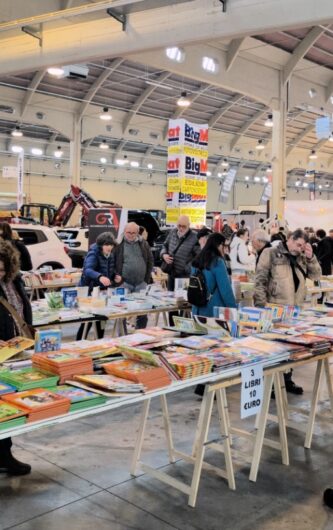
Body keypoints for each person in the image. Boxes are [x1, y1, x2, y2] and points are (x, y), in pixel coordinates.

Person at [254, 229, 322, 395]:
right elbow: (260, 279)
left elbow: (316, 275)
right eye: (298, 244)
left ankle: (287, 380)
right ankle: (269, 383)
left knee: (291, 348)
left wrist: (311, 257)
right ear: (290, 239)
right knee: (273, 348)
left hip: (295, 309)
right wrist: (261, 306)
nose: (299, 248)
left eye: (302, 246)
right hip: (274, 308)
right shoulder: (270, 253)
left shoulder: (302, 256)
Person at [0, 240, 32, 475]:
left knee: (7, 402)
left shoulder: (14, 282)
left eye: (1, 269)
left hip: (14, 352)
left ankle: (4, 454)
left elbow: (22, 311)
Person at [77, 232, 119, 339]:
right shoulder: (93, 253)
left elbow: (109, 270)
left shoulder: (111, 254)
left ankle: (100, 342)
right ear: (101, 245)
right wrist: (100, 276)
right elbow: (88, 270)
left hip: (102, 292)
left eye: (111, 245)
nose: (109, 247)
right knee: (88, 320)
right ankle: (79, 342)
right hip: (89, 291)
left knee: (101, 319)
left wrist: (115, 276)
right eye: (106, 245)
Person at [114, 222, 153, 329]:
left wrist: (146, 279)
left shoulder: (143, 244)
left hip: (141, 283)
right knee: (121, 312)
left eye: (133, 233)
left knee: (142, 312)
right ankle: (122, 336)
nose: (131, 235)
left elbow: (150, 261)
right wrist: (118, 279)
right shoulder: (118, 244)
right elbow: (113, 263)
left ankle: (141, 334)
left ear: (137, 233)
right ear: (124, 231)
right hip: (124, 284)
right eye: (128, 232)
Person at [191, 233, 237, 317]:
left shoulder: (197, 260)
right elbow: (225, 290)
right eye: (225, 246)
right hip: (213, 310)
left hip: (196, 309)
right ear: (219, 245)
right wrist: (234, 309)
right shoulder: (217, 262)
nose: (226, 249)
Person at [160, 215, 199, 291]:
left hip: (184, 276)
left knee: (182, 299)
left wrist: (186, 268)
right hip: (171, 273)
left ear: (189, 225)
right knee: (170, 298)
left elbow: (198, 256)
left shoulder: (195, 237)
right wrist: (163, 255)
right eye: (179, 225)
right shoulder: (172, 232)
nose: (181, 228)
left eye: (184, 226)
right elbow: (165, 245)